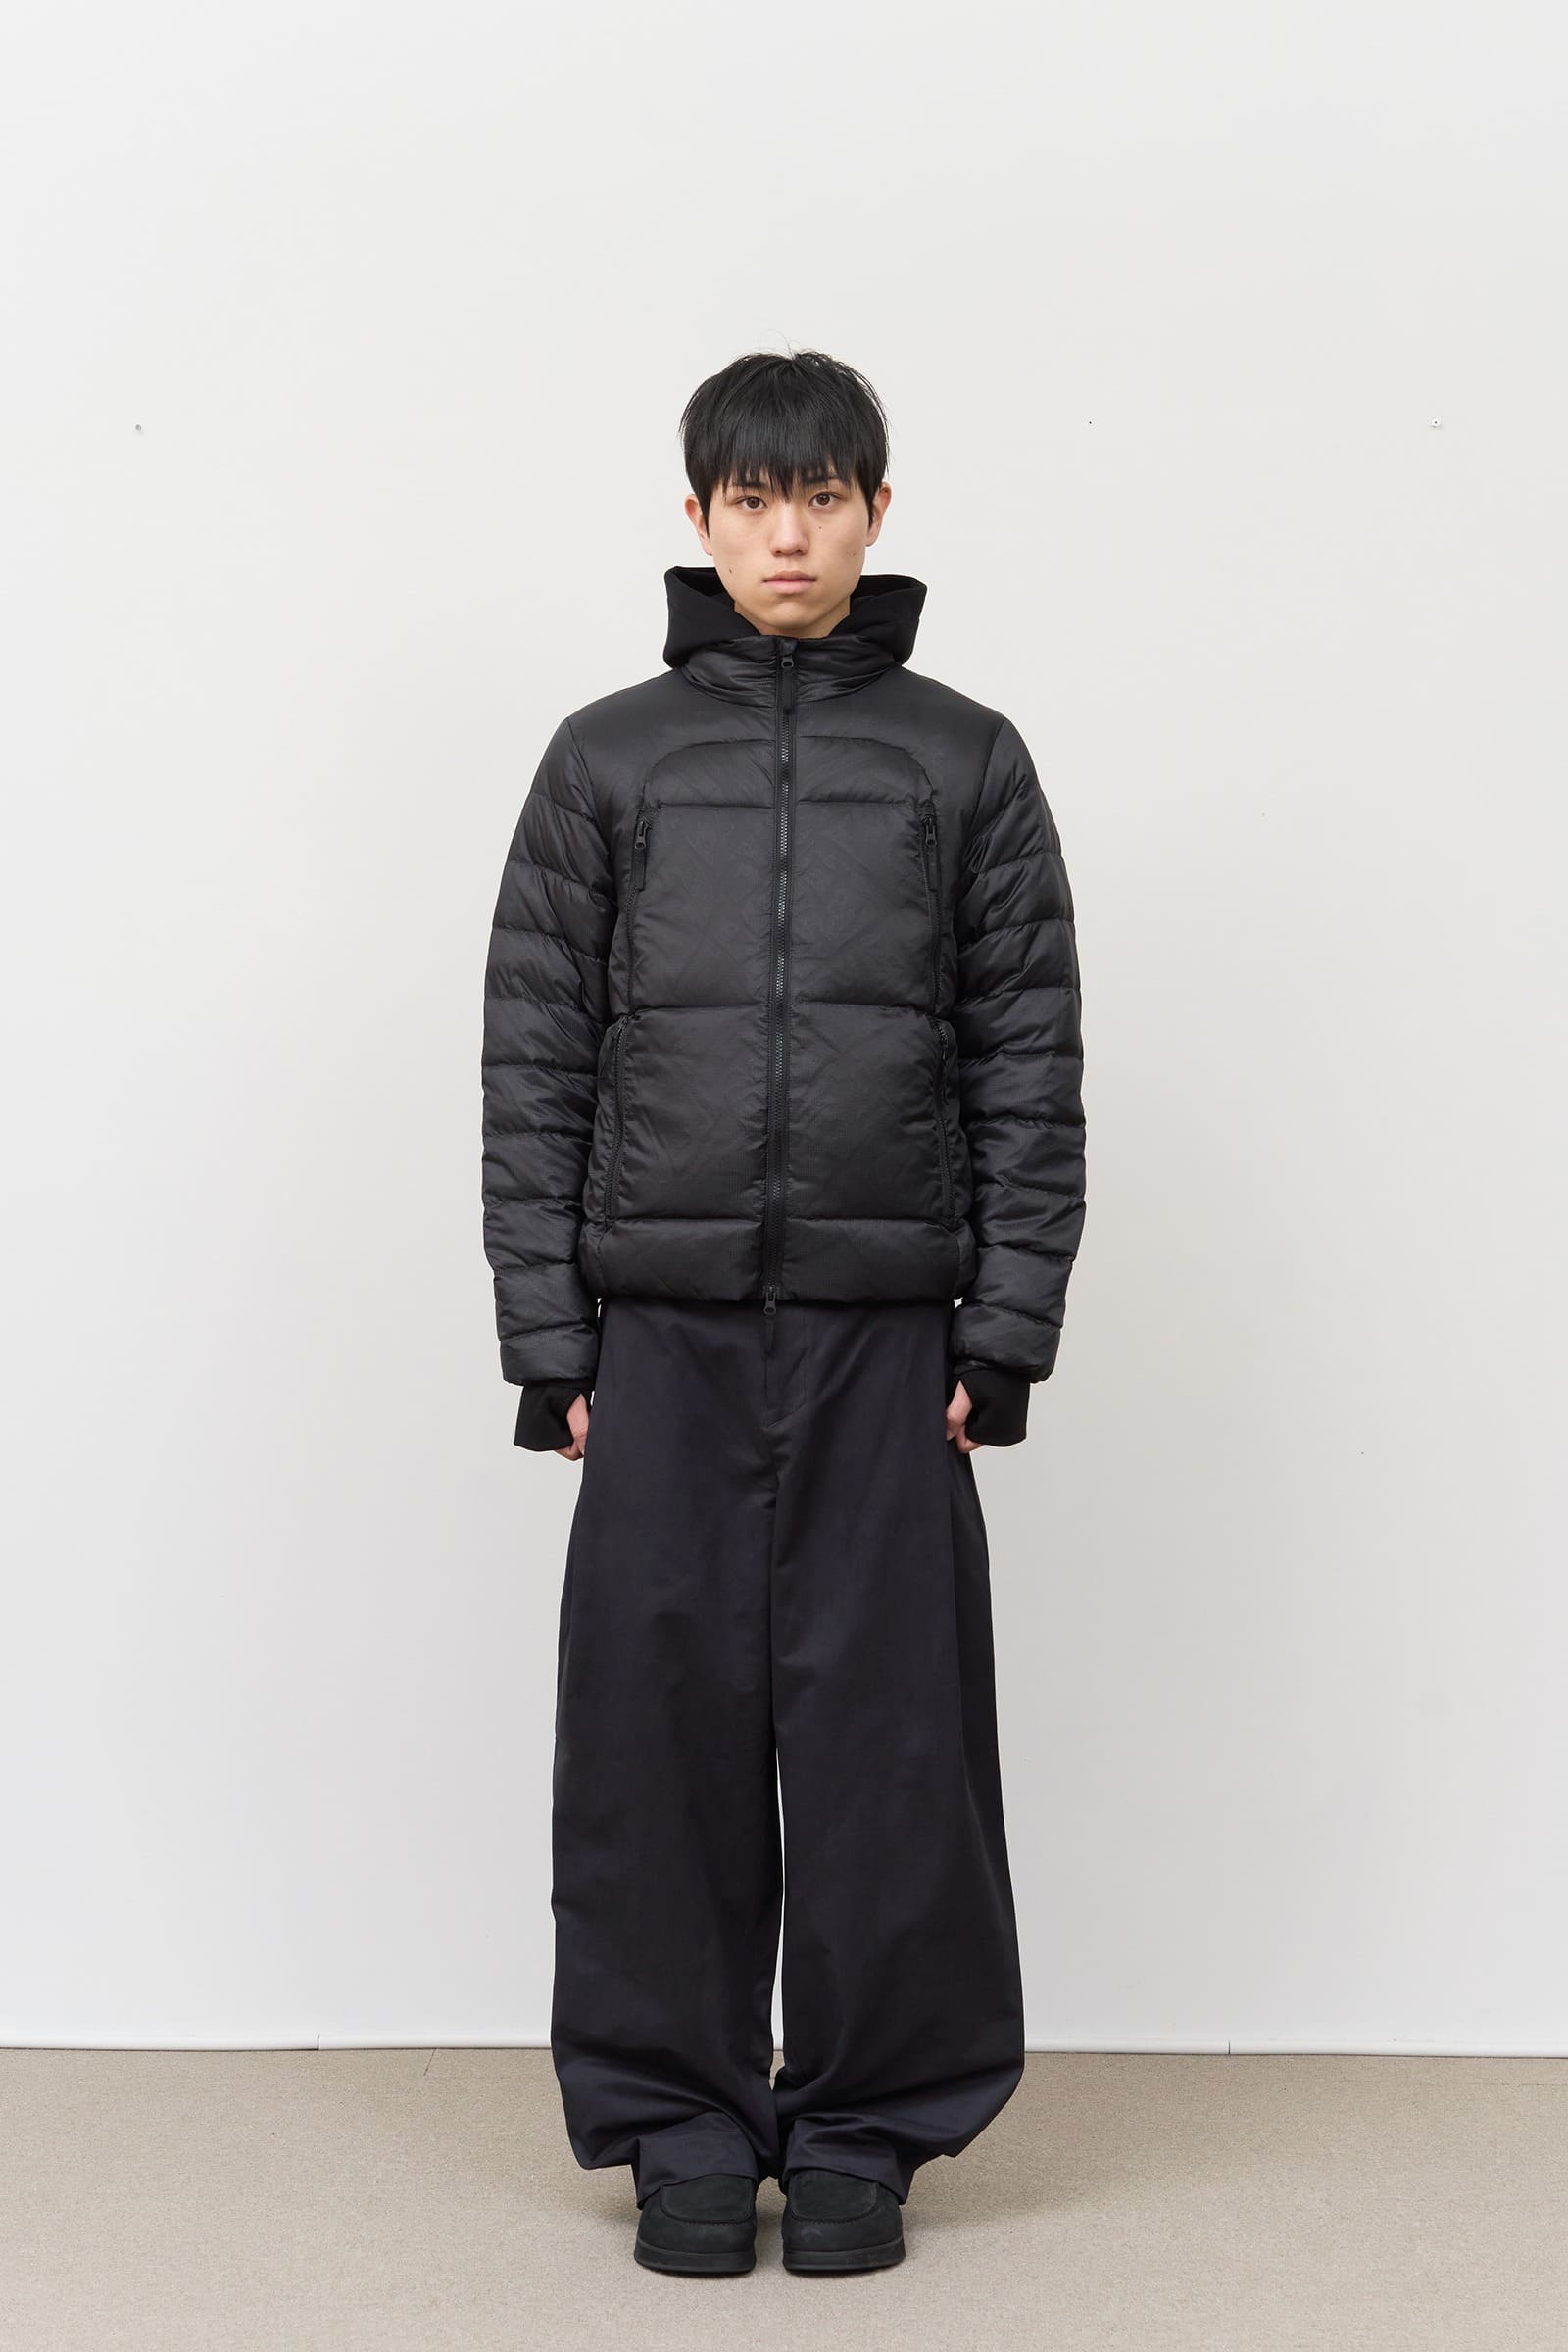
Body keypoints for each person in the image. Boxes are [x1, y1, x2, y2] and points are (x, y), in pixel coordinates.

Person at [480, 348, 1087, 2278]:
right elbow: (535, 1067)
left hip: (881, 1340)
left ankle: (864, 2129)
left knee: (888, 1750)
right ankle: (675, 2122)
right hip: (656, 1337)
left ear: (876, 512)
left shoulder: (964, 762)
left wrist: (1000, 1333)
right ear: (697, 519)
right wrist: (551, 1344)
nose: (789, 534)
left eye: (823, 496)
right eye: (751, 500)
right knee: (648, 1746)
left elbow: (1026, 1063)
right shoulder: (606, 762)